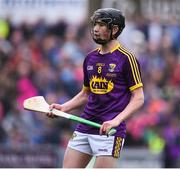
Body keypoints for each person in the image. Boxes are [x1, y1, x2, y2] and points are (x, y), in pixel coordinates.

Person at [47, 8, 144, 168]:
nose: (96, 29)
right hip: (85, 124)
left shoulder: (127, 59)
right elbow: (86, 94)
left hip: (109, 131)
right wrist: (64, 107)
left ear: (115, 29)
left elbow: (139, 97)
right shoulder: (90, 58)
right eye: (95, 24)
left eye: (102, 25)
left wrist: (116, 120)